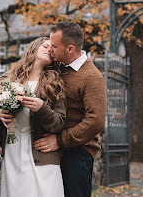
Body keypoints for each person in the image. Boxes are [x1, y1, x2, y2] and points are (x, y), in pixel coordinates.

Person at [0, 37, 66, 197]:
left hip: (42, 152)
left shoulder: (54, 83)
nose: (49, 49)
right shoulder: (9, 78)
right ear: (33, 49)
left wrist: (42, 108)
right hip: (13, 148)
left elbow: (59, 122)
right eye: (45, 46)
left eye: (52, 48)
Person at [34, 21, 106, 197]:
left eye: (54, 46)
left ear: (70, 48)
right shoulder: (57, 68)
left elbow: (96, 122)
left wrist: (60, 140)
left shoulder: (92, 77)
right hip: (54, 152)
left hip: (78, 154)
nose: (50, 49)